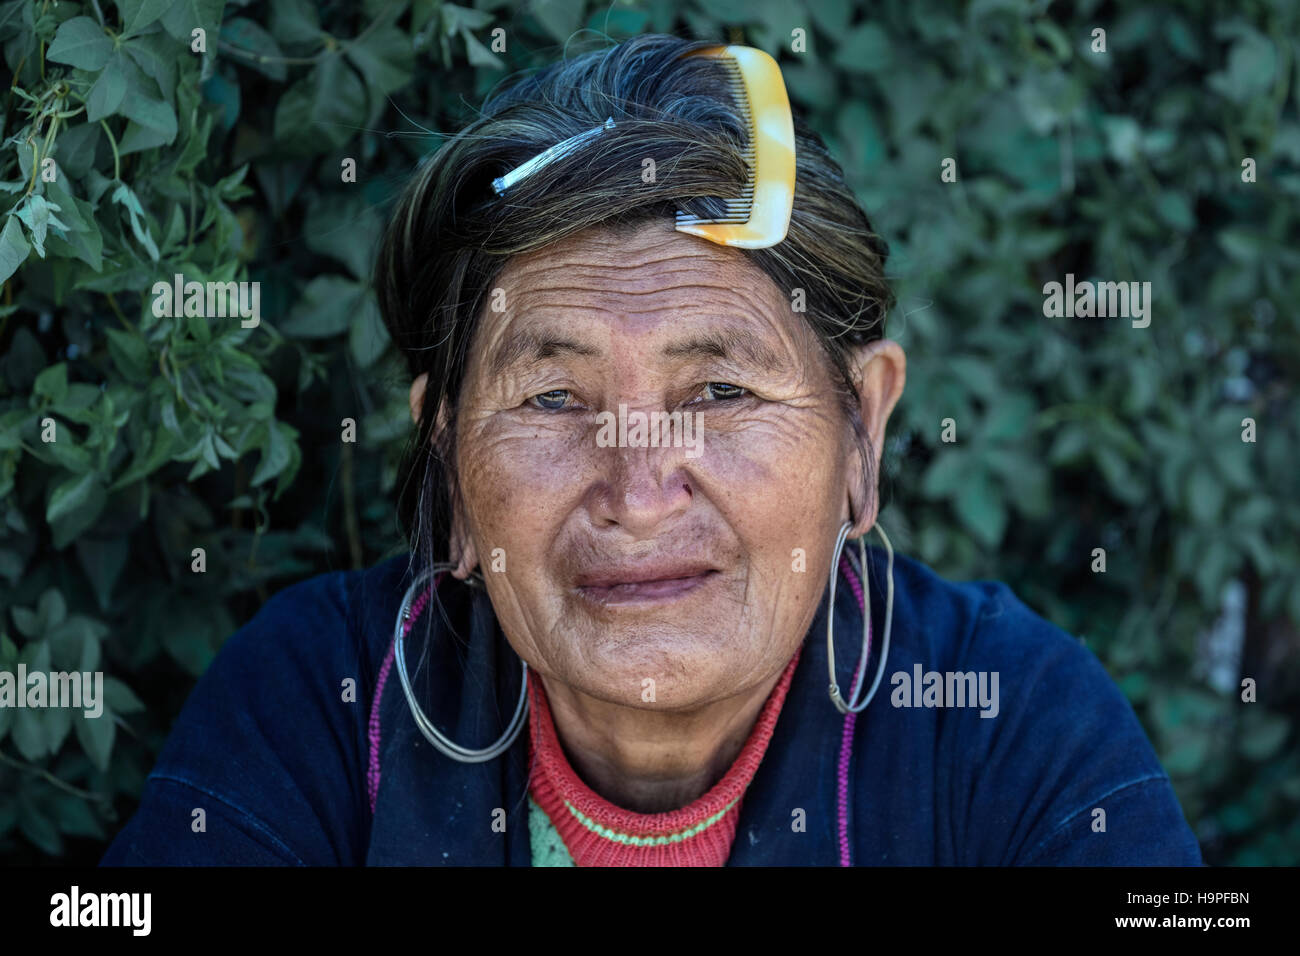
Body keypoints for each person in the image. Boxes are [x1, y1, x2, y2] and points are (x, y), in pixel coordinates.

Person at [102, 34, 1201, 866]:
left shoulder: (1008, 722)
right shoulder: (321, 700)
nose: (636, 490)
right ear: (446, 463)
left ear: (860, 433)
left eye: (719, 389)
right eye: (551, 396)